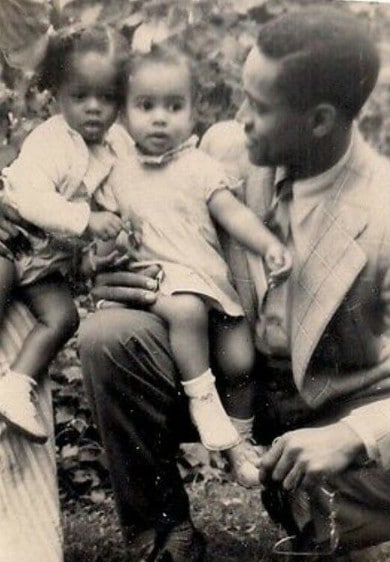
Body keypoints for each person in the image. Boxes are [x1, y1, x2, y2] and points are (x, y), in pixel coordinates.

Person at [78, 5, 390, 562]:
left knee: (380, 448)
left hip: (324, 408)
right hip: (221, 367)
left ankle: (312, 499)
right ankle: (165, 538)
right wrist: (108, 267)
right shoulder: (223, 153)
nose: (239, 120)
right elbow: (150, 213)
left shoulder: (387, 218)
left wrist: (352, 437)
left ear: (321, 119)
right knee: (109, 336)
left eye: (259, 106)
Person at [102, 43, 292, 487]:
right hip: (161, 284)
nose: (160, 118)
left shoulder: (201, 167)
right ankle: (201, 396)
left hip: (209, 281)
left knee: (241, 360)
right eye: (145, 106)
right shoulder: (117, 172)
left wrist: (268, 246)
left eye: (174, 106)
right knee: (186, 310)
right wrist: (104, 251)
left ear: (193, 113)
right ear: (125, 114)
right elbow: (102, 229)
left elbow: (235, 214)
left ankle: (237, 444)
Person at [0, 24, 132, 443]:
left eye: (107, 97)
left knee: (63, 317)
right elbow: (31, 200)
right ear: (57, 95)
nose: (94, 108)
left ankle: (15, 386)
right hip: (13, 238)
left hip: (46, 262)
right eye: (80, 96)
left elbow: (122, 202)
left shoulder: (116, 148)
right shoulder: (51, 140)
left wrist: (103, 249)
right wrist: (85, 220)